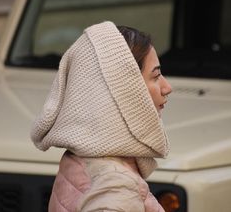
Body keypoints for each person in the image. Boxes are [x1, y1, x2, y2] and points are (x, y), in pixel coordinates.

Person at [31, 21, 172, 212]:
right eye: (155, 76)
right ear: (125, 93)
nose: (167, 88)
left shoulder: (79, 158)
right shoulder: (116, 185)